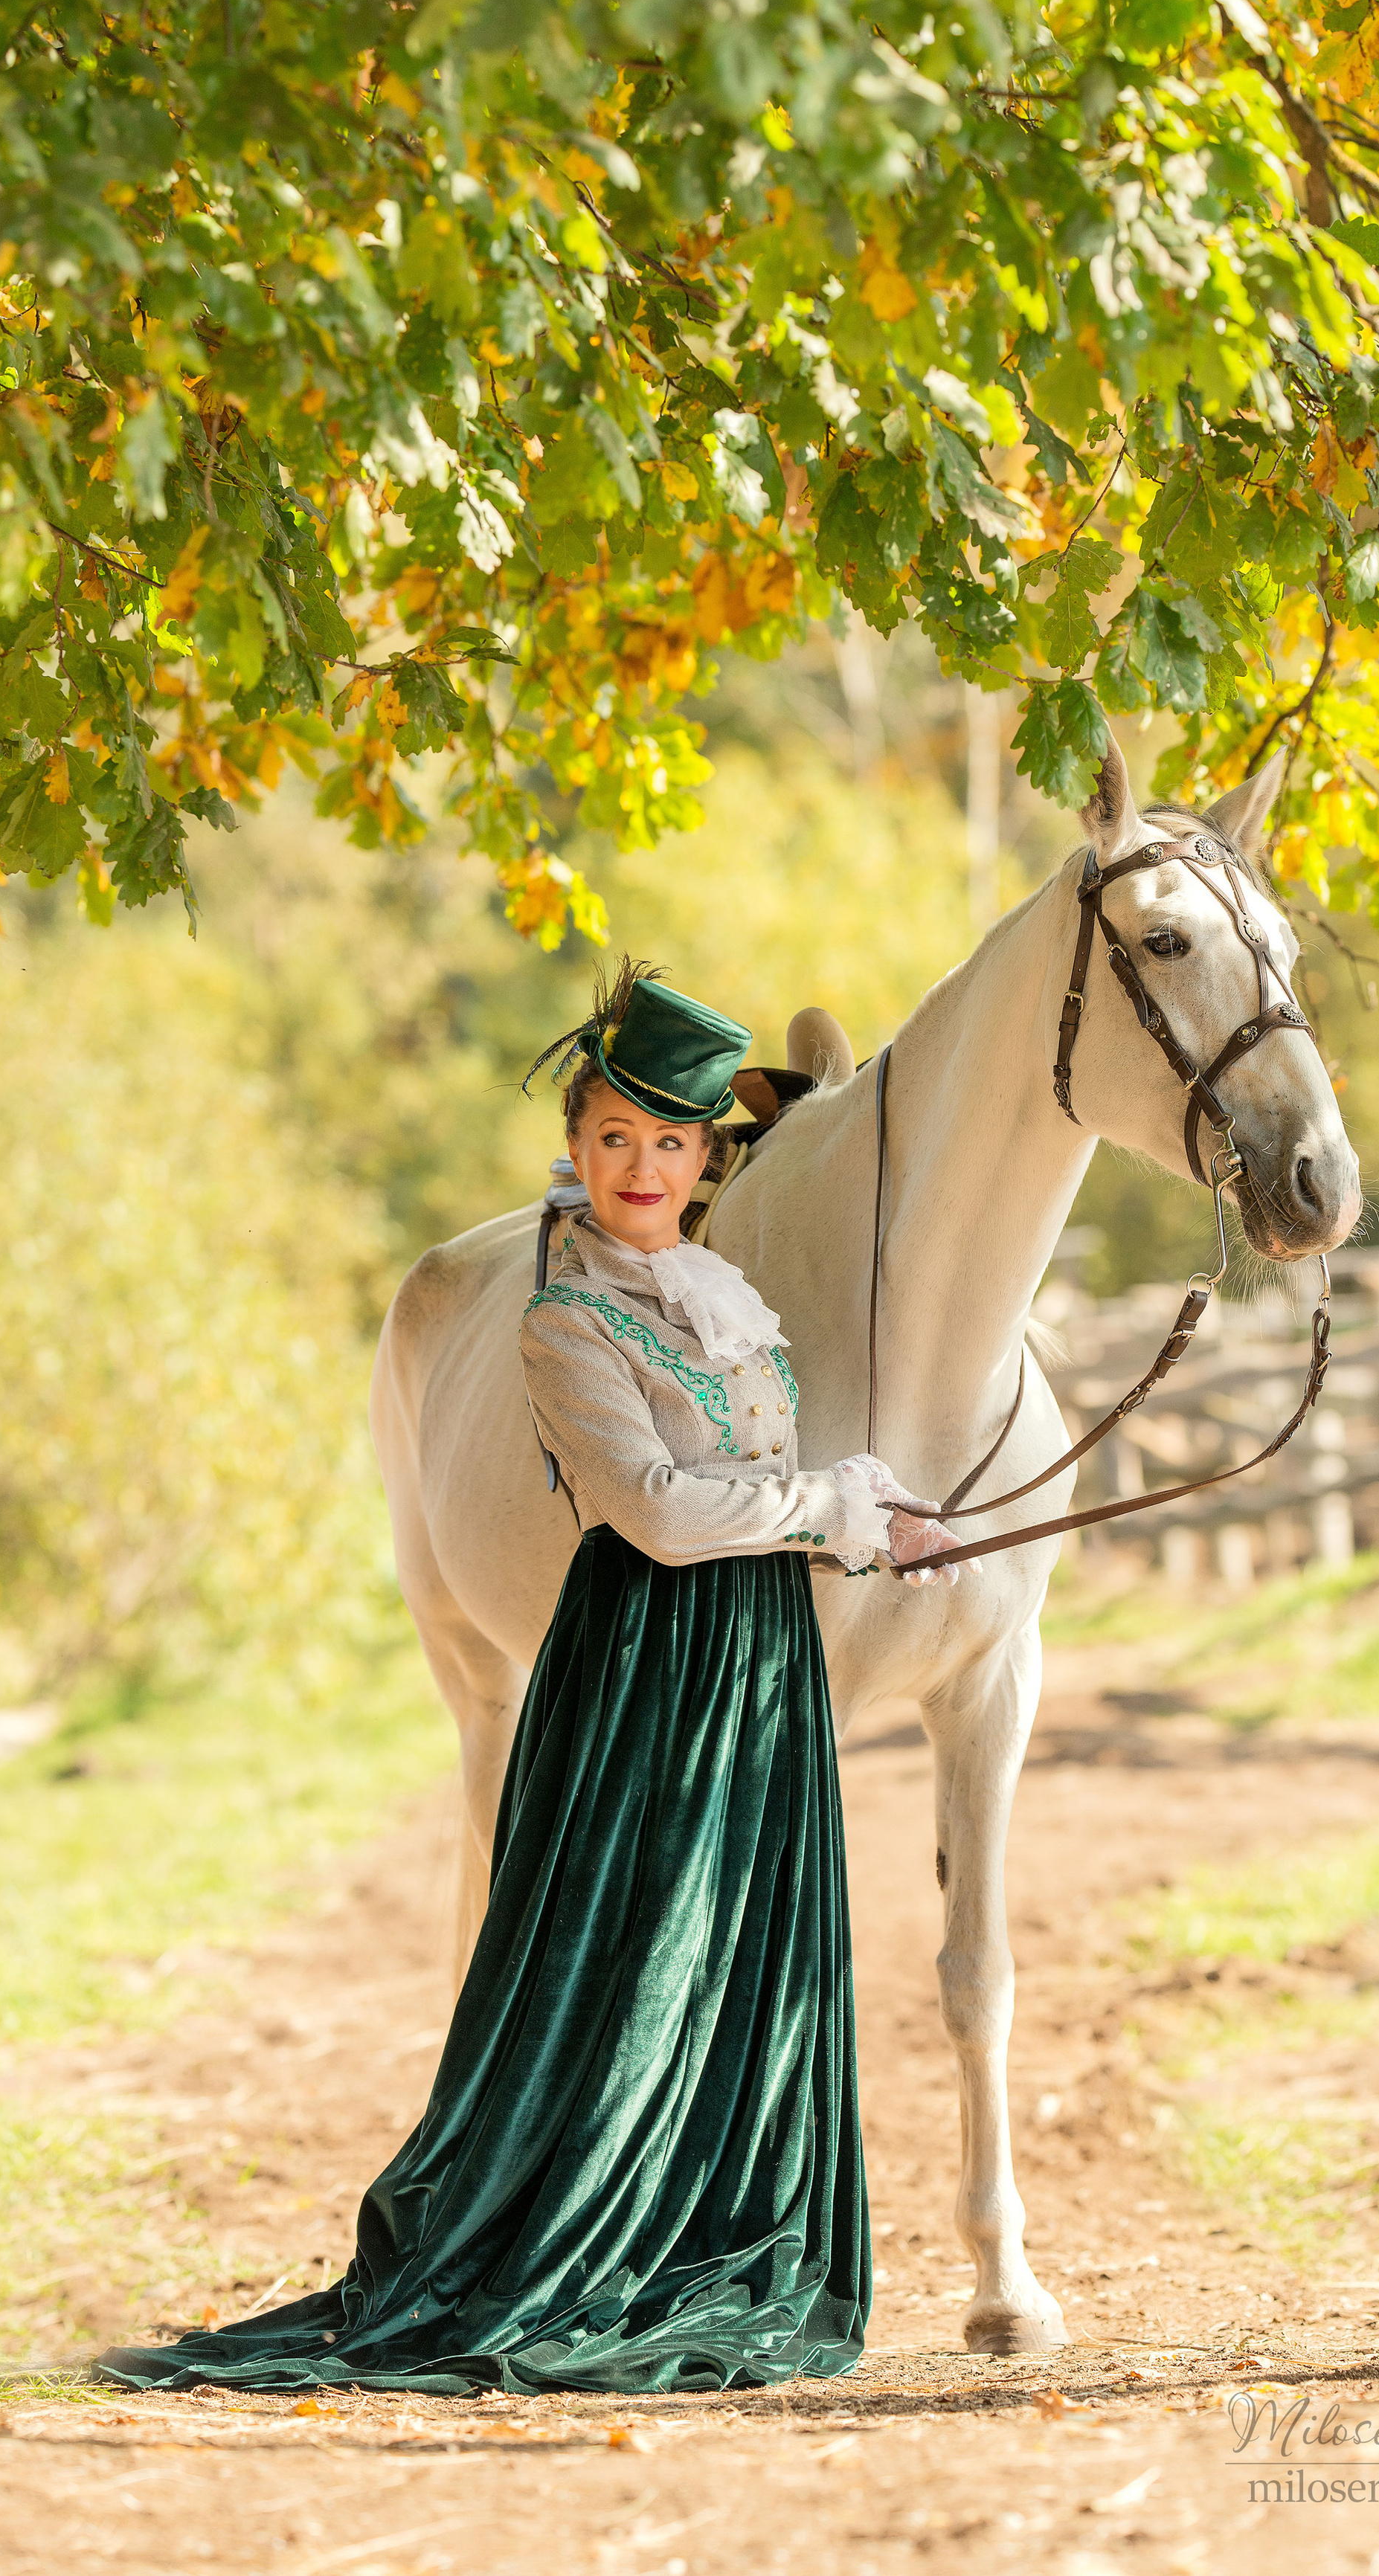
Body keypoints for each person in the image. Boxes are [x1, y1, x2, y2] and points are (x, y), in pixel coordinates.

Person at [96, 961, 971, 2398]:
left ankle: (721, 2235)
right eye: (615, 1139)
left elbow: (757, 1489)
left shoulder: (719, 1297)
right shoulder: (563, 1319)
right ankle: (580, 2241)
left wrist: (883, 1533)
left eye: (672, 1144)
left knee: (737, 1961)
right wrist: (835, 1505)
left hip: (759, 1659)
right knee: (632, 1969)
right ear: (576, 1147)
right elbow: (663, 1510)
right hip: (649, 1660)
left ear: (706, 1162)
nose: (642, 1168)